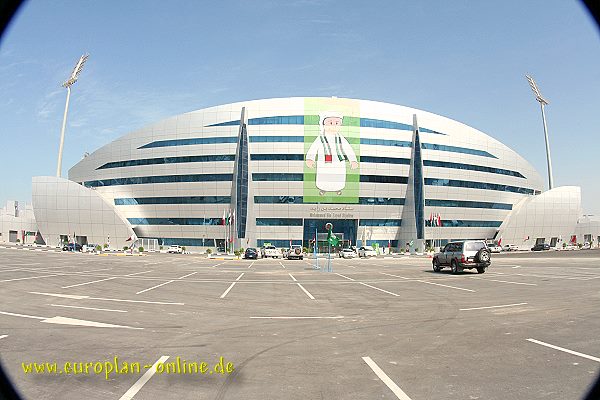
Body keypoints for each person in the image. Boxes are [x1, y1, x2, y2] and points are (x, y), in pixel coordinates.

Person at [306, 112, 358, 195]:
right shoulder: (320, 138)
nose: (333, 125)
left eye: (337, 123)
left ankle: (338, 189)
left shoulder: (340, 138)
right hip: (324, 162)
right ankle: (323, 189)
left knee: (338, 177)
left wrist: (353, 160)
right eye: (330, 123)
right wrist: (310, 158)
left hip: (338, 162)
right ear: (323, 124)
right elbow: (313, 148)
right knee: (324, 177)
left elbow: (348, 148)